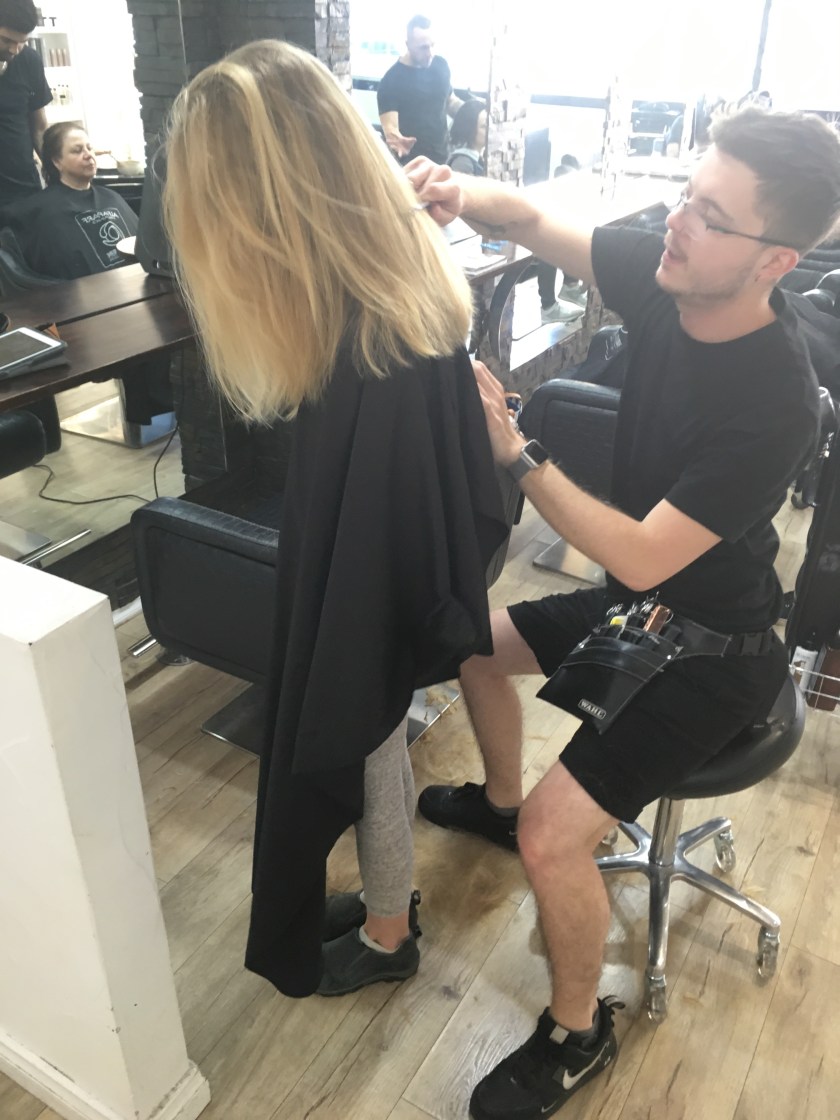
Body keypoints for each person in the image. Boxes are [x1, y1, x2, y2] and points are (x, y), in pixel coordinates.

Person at [407, 104, 840, 1120]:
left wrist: (517, 448)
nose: (677, 222)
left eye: (710, 215)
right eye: (688, 196)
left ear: (774, 260)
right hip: (637, 610)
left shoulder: (774, 401)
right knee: (472, 647)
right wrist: (455, 191)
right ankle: (499, 801)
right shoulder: (669, 268)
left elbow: (641, 549)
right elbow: (528, 219)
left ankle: (576, 1033)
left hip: (716, 653)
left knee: (557, 840)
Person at [164, 38, 507, 999]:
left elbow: (371, 559)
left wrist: (341, 634)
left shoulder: (368, 349)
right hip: (403, 550)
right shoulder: (391, 282)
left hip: (377, 567)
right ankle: (386, 905)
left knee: (354, 724)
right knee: (366, 724)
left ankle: (391, 933)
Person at [447, 102, 582, 327]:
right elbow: (464, 215)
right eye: (483, 126)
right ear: (470, 129)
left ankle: (565, 290)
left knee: (548, 238)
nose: (489, 130)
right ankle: (550, 305)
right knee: (543, 245)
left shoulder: (482, 159)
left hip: (486, 237)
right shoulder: (463, 163)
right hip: (476, 243)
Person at [1, 121, 138, 278]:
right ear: (57, 161)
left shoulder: (112, 197)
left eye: (89, 148)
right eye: (77, 151)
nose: (88, 155)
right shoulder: (40, 210)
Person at [377, 13, 463, 164]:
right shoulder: (391, 81)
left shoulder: (441, 65)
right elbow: (390, 128)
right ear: (408, 45)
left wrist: (472, 113)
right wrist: (397, 140)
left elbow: (450, 102)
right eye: (423, 48)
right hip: (412, 165)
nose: (430, 53)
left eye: (432, 45)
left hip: (443, 160)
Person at [0, 0, 51, 209]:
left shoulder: (29, 60)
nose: (15, 49)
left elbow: (39, 127)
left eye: (22, 42)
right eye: (6, 40)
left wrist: (55, 171)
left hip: (24, 191)